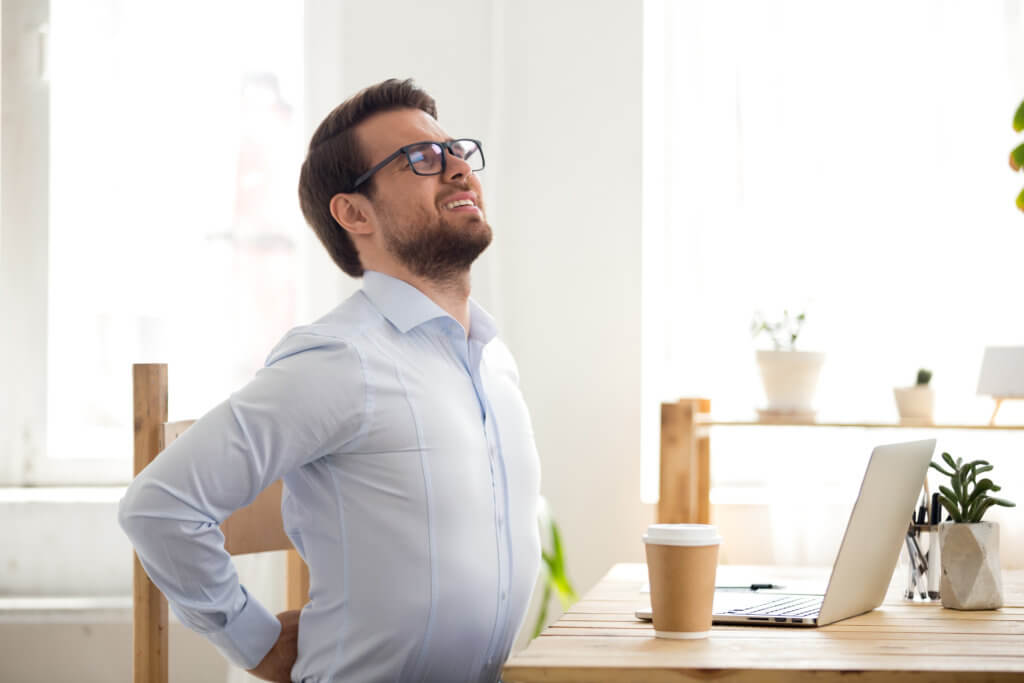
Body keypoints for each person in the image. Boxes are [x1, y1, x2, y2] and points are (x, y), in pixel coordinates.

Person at [118, 78, 542, 683]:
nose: (457, 169)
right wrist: (257, 643)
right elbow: (160, 506)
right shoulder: (340, 358)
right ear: (354, 212)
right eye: (421, 158)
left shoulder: (493, 360)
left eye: (456, 151)